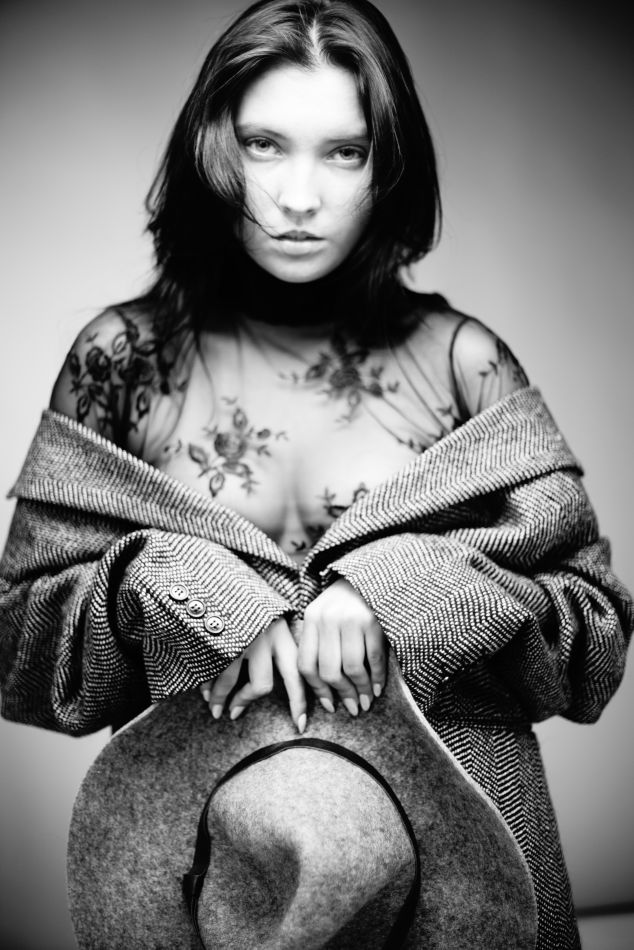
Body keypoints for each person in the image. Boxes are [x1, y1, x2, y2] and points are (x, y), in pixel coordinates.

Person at [0, 1, 631, 947]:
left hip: (474, 860)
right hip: (219, 878)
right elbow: (15, 647)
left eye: (345, 152)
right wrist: (174, 588)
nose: (299, 196)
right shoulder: (122, 362)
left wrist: (404, 588)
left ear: (390, 167)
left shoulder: (464, 363)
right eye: (264, 145)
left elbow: (595, 640)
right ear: (212, 151)